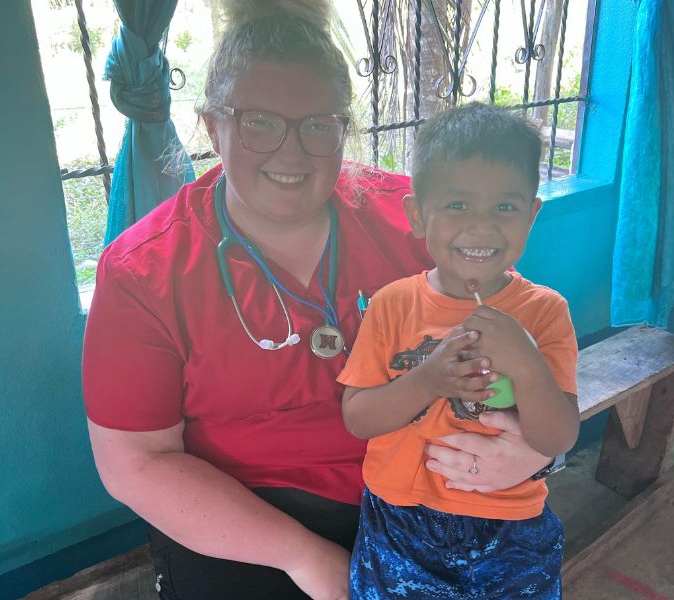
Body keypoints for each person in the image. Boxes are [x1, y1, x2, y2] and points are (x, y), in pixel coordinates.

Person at [82, 2, 553, 599]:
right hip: (243, 519)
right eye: (258, 122)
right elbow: (137, 464)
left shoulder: (421, 224)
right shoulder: (145, 272)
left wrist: (526, 454)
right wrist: (305, 558)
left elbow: (517, 354)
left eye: (318, 126)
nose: (291, 152)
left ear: (342, 129)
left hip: (427, 491)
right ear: (211, 125)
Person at [339, 103, 580, 599]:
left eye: (505, 208)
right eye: (457, 205)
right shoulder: (391, 305)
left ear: (532, 214)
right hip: (399, 523)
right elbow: (359, 418)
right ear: (417, 216)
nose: (481, 226)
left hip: (508, 524)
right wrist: (427, 380)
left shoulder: (545, 311)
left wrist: (528, 363)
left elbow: (558, 436)